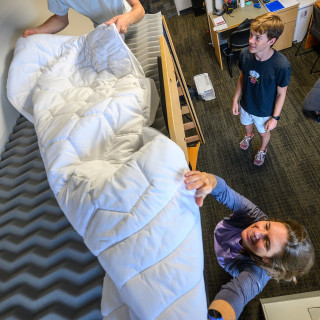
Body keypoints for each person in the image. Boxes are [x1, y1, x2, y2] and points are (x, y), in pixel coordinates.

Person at [184, 170, 314, 320]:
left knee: (238, 277)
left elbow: (237, 294)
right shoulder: (255, 216)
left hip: (232, 262)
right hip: (224, 236)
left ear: (267, 261)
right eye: (267, 226)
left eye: (266, 242)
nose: (257, 232)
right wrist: (208, 180)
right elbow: (225, 192)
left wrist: (218, 316)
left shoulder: (256, 275)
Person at [232, 13, 291, 166]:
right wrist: (235, 99)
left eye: (258, 38)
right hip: (246, 104)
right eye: (251, 35)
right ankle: (248, 135)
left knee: (263, 133)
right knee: (246, 124)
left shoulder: (281, 65)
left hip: (264, 111)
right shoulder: (245, 54)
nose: (251, 41)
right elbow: (242, 76)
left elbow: (281, 94)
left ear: (271, 41)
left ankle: (262, 149)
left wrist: (275, 118)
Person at [23, 0, 145, 37]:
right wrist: (36, 31)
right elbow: (60, 20)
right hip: (105, 31)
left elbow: (139, 8)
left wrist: (128, 18)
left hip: (133, 22)